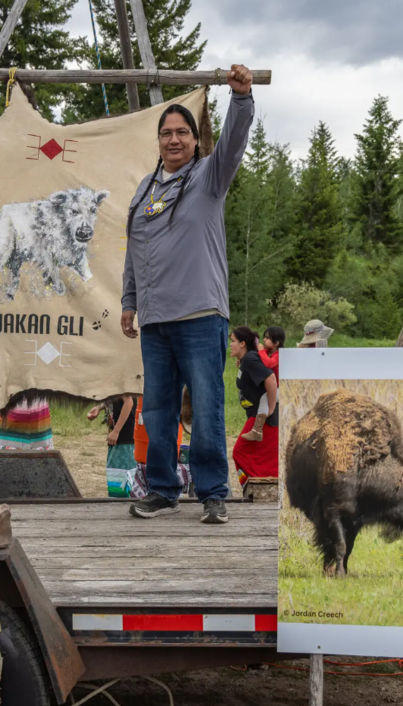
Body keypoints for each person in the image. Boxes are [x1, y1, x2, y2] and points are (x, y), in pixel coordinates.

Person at [120, 64, 255, 522]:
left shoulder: (208, 178)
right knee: (157, 410)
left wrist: (239, 99)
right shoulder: (145, 190)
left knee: (206, 407)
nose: (174, 140)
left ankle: (214, 492)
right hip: (156, 320)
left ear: (196, 140)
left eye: (183, 132)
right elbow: (134, 249)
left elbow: (234, 142)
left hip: (200, 314)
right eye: (166, 134)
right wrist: (129, 301)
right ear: (157, 141)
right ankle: (162, 488)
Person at [229, 326, 279, 490]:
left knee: (240, 452)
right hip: (255, 416)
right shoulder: (246, 360)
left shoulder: (250, 359)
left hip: (263, 419)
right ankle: (258, 490)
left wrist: (270, 407)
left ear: (243, 343)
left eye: (233, 341)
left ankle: (258, 489)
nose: (230, 345)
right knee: (267, 458)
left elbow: (270, 378)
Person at [87, 394, 136, 497]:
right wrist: (99, 407)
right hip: (118, 438)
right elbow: (115, 397)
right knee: (115, 475)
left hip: (125, 438)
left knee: (122, 475)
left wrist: (116, 431)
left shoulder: (121, 378)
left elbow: (129, 402)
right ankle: (117, 501)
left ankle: (120, 504)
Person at [243, 325, 284, 442]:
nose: (264, 340)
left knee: (265, 398)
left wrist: (261, 351)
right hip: (272, 387)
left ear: (276, 343)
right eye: (264, 337)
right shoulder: (267, 352)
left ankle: (257, 430)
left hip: (282, 388)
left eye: (267, 338)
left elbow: (269, 364)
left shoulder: (279, 355)